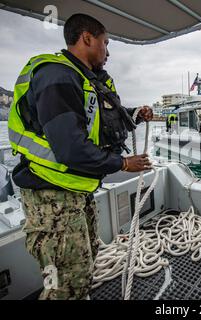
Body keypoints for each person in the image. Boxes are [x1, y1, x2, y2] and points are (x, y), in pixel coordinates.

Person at [8, 13, 153, 300]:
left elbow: (100, 119)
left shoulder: (83, 78)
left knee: (85, 263)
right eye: (105, 43)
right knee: (65, 281)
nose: (108, 52)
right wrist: (123, 163)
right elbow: (70, 149)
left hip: (77, 190)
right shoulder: (57, 77)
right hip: (52, 196)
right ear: (87, 38)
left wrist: (135, 113)